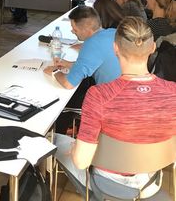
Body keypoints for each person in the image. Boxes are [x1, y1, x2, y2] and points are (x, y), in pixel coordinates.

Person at [54, 17, 176, 198]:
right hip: (151, 182)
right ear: (152, 48)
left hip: (107, 183)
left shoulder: (99, 95)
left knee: (55, 141)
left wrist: (76, 148)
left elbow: (81, 162)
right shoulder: (172, 92)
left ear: (115, 49)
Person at [43, 6, 121, 90]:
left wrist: (54, 72)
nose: (72, 31)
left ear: (86, 29)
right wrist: (66, 63)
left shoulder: (91, 45)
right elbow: (92, 63)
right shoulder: (113, 32)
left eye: (75, 29)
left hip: (113, 97)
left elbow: (68, 84)